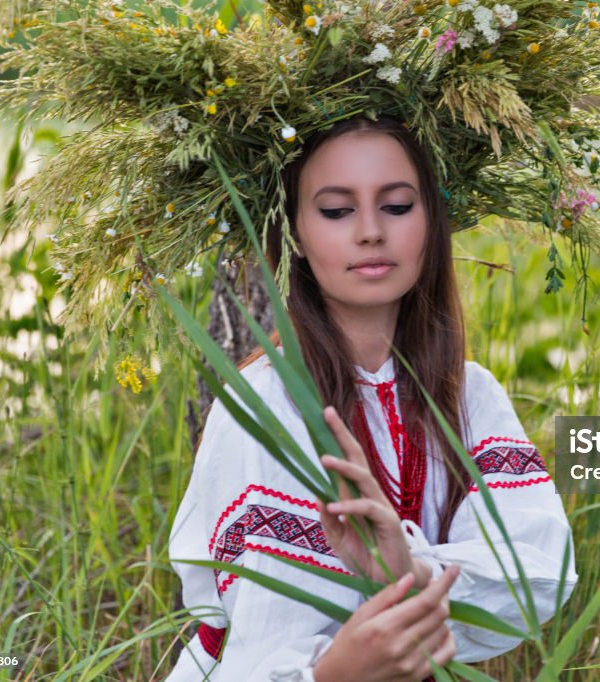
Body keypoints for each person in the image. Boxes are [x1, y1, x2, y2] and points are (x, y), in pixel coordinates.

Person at [166, 115, 577, 681]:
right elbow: (260, 637)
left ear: (432, 222)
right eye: (336, 210)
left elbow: (538, 579)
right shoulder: (264, 403)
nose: (369, 232)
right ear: (294, 236)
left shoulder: (469, 393)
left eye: (398, 206)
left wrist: (404, 566)